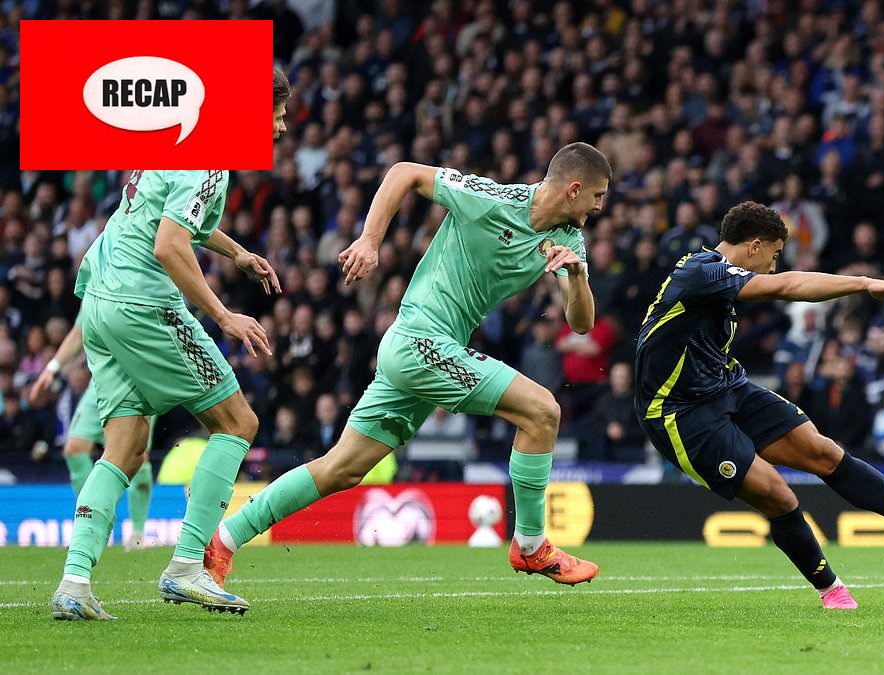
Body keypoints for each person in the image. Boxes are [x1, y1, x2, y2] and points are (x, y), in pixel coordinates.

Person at [207, 142, 611, 590]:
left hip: (426, 351)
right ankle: (531, 544)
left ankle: (223, 540)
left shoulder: (569, 240)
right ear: (574, 189)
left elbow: (581, 323)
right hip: (419, 341)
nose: (600, 207)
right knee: (542, 411)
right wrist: (370, 240)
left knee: (340, 468)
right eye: (598, 196)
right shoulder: (492, 198)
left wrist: (577, 277)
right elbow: (404, 172)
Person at [633, 201, 884, 610]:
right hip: (678, 411)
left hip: (725, 386)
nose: (773, 266)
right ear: (754, 245)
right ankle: (832, 591)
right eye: (774, 254)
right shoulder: (701, 272)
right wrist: (863, 283)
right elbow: (788, 286)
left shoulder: (717, 279)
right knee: (778, 496)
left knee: (824, 453)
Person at [49, 68, 290, 621]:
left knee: (125, 448)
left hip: (100, 301)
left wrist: (237, 253)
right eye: (276, 115)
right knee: (238, 423)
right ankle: (186, 567)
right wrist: (223, 315)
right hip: (143, 304)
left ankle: (74, 583)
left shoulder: (180, 137)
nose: (280, 127)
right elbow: (169, 245)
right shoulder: (212, 159)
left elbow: (174, 220)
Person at [30, 323, 155, 551]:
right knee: (74, 449)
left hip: (138, 378)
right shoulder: (90, 298)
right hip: (100, 382)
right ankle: (93, 522)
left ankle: (137, 533)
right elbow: (78, 331)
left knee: (138, 455)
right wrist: (53, 367)